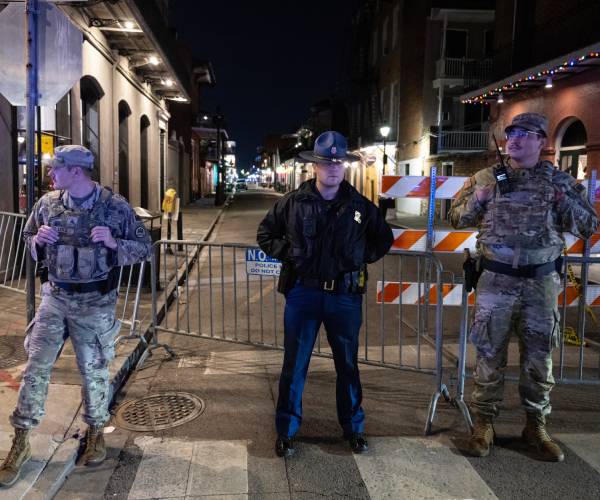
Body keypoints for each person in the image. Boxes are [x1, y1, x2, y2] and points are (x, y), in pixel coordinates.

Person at [449, 113, 598, 462]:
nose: (514, 139)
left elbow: (590, 224)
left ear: (541, 142)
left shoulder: (558, 182)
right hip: (495, 281)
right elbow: (456, 217)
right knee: (489, 354)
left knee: (539, 358)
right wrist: (481, 198)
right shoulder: (486, 178)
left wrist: (562, 200)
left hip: (540, 283)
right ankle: (484, 423)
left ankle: (536, 426)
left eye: (524, 134)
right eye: (511, 133)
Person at [0, 145, 152, 487]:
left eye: (56, 168)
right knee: (35, 369)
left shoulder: (114, 207)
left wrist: (114, 243)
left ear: (77, 171)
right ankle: (21, 442)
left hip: (95, 302)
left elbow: (145, 247)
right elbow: (28, 239)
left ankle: (96, 433)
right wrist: (37, 240)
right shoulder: (47, 205)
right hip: (54, 298)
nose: (51, 174)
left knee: (94, 371)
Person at [257, 131, 393, 457]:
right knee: (295, 364)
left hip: (344, 298)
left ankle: (354, 429)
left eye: (339, 162)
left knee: (347, 365)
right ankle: (286, 431)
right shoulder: (293, 203)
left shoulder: (360, 205)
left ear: (345, 166)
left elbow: (383, 239)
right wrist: (289, 253)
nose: (333, 168)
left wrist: (360, 257)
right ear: (315, 167)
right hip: (303, 294)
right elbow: (265, 234)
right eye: (326, 162)